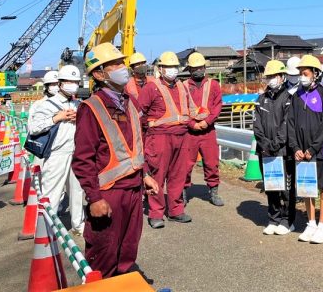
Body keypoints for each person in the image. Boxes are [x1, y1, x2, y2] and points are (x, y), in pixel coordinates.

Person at [72, 43, 159, 278]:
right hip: (108, 193)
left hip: (133, 189)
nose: (124, 68)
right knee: (104, 253)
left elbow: (136, 146)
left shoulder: (130, 102)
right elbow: (82, 159)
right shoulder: (91, 108)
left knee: (128, 250)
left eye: (123, 63)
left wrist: (145, 175)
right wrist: (94, 198)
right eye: (116, 64)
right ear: (99, 74)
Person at [134, 51, 191, 228]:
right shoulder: (151, 87)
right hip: (159, 137)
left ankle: (175, 210)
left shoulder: (182, 86)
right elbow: (139, 113)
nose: (172, 70)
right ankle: (156, 213)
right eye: (168, 67)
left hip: (182, 136)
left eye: (175, 67)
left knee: (178, 175)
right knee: (157, 175)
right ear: (161, 69)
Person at [27, 64, 85, 234]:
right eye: (68, 81)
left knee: (77, 191)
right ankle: (46, 229)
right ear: (60, 83)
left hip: (76, 152)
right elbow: (34, 128)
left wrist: (79, 119)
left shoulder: (79, 104)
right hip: (56, 154)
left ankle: (78, 224)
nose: (72, 84)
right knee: (52, 192)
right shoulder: (45, 104)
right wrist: (56, 118)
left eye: (75, 81)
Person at [287, 54, 323, 244]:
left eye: (305, 73)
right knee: (306, 187)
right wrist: (296, 147)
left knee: (322, 186)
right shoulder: (297, 95)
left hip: (319, 151)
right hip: (301, 151)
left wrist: (313, 149)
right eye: (300, 73)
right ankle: (311, 222)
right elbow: (290, 123)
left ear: (315, 73)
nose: (301, 77)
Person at [252, 60, 295, 235]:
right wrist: (264, 144)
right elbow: (256, 125)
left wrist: (275, 144)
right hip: (265, 151)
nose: (270, 79)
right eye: (268, 77)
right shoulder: (261, 99)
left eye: (273, 76)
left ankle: (287, 220)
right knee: (270, 186)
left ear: (282, 77)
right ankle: (273, 218)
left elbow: (287, 125)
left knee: (286, 188)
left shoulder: (289, 98)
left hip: (283, 151)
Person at [178, 52, 225, 207]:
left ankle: (214, 191)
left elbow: (217, 106)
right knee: (185, 164)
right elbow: (181, 109)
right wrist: (192, 124)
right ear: (190, 69)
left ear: (204, 67)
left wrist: (207, 122)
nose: (198, 70)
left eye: (200, 67)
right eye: (195, 68)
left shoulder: (214, 84)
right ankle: (182, 192)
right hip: (189, 132)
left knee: (212, 162)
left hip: (208, 131)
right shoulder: (183, 86)